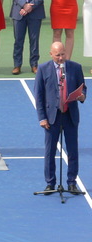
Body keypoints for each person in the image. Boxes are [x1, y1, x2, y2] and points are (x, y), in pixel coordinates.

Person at [34, 42, 86, 194]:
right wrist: (42, 118)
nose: (61, 57)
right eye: (57, 55)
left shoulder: (75, 68)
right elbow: (39, 96)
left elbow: (83, 88)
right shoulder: (43, 69)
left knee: (73, 151)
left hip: (70, 116)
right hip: (52, 117)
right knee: (50, 152)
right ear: (51, 54)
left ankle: (71, 182)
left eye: (63, 54)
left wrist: (82, 96)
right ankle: (50, 183)